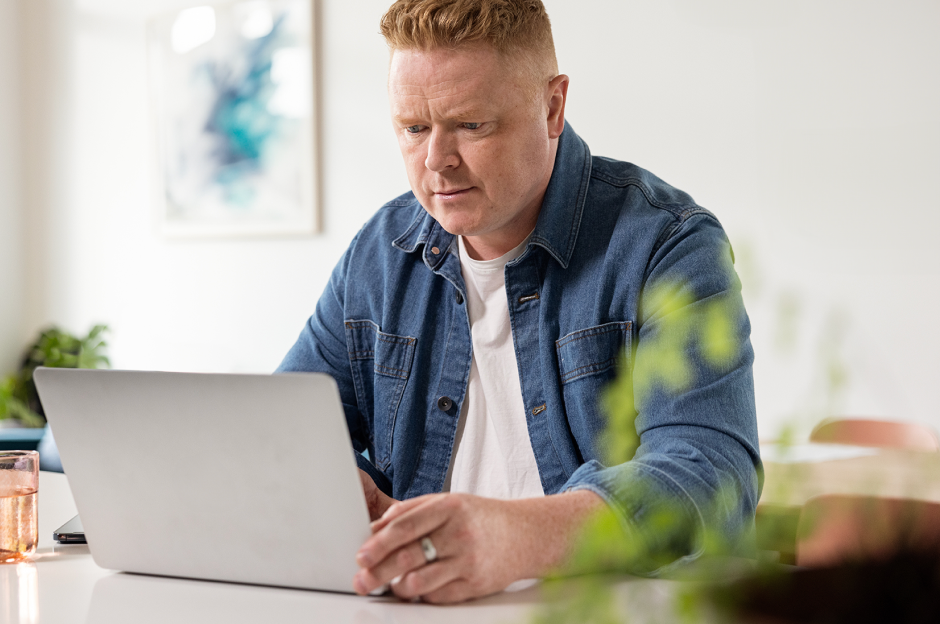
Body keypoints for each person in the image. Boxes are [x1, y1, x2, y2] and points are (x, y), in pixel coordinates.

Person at [278, 0, 760, 604]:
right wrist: (335, 487)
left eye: (471, 125)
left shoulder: (666, 245)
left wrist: (517, 537)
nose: (436, 162)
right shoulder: (381, 254)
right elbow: (285, 435)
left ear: (552, 107)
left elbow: (711, 474)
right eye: (413, 128)